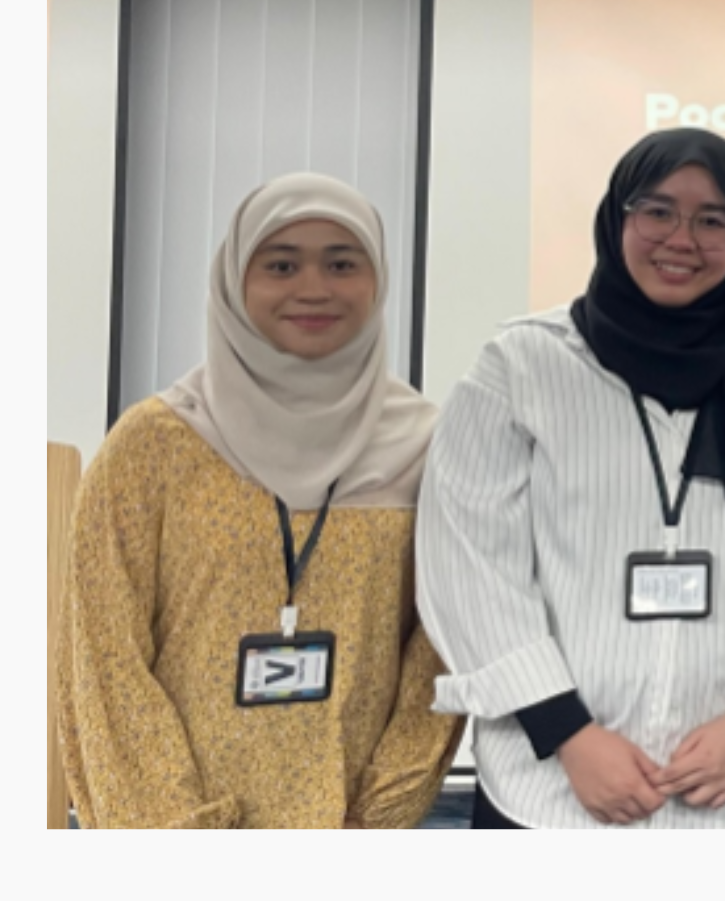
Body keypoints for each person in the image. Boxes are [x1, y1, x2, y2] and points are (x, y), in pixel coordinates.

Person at [417, 128, 725, 829]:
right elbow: (471, 566)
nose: (682, 239)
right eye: (658, 211)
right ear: (617, 216)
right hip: (551, 790)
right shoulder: (523, 365)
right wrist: (569, 734)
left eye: (713, 220)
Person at [57, 173, 461, 828]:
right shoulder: (153, 445)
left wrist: (377, 818)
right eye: (281, 264)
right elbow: (104, 656)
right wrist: (174, 835)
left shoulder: (427, 447)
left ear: (378, 279)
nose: (313, 288)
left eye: (342, 263)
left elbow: (437, 652)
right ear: (235, 279)